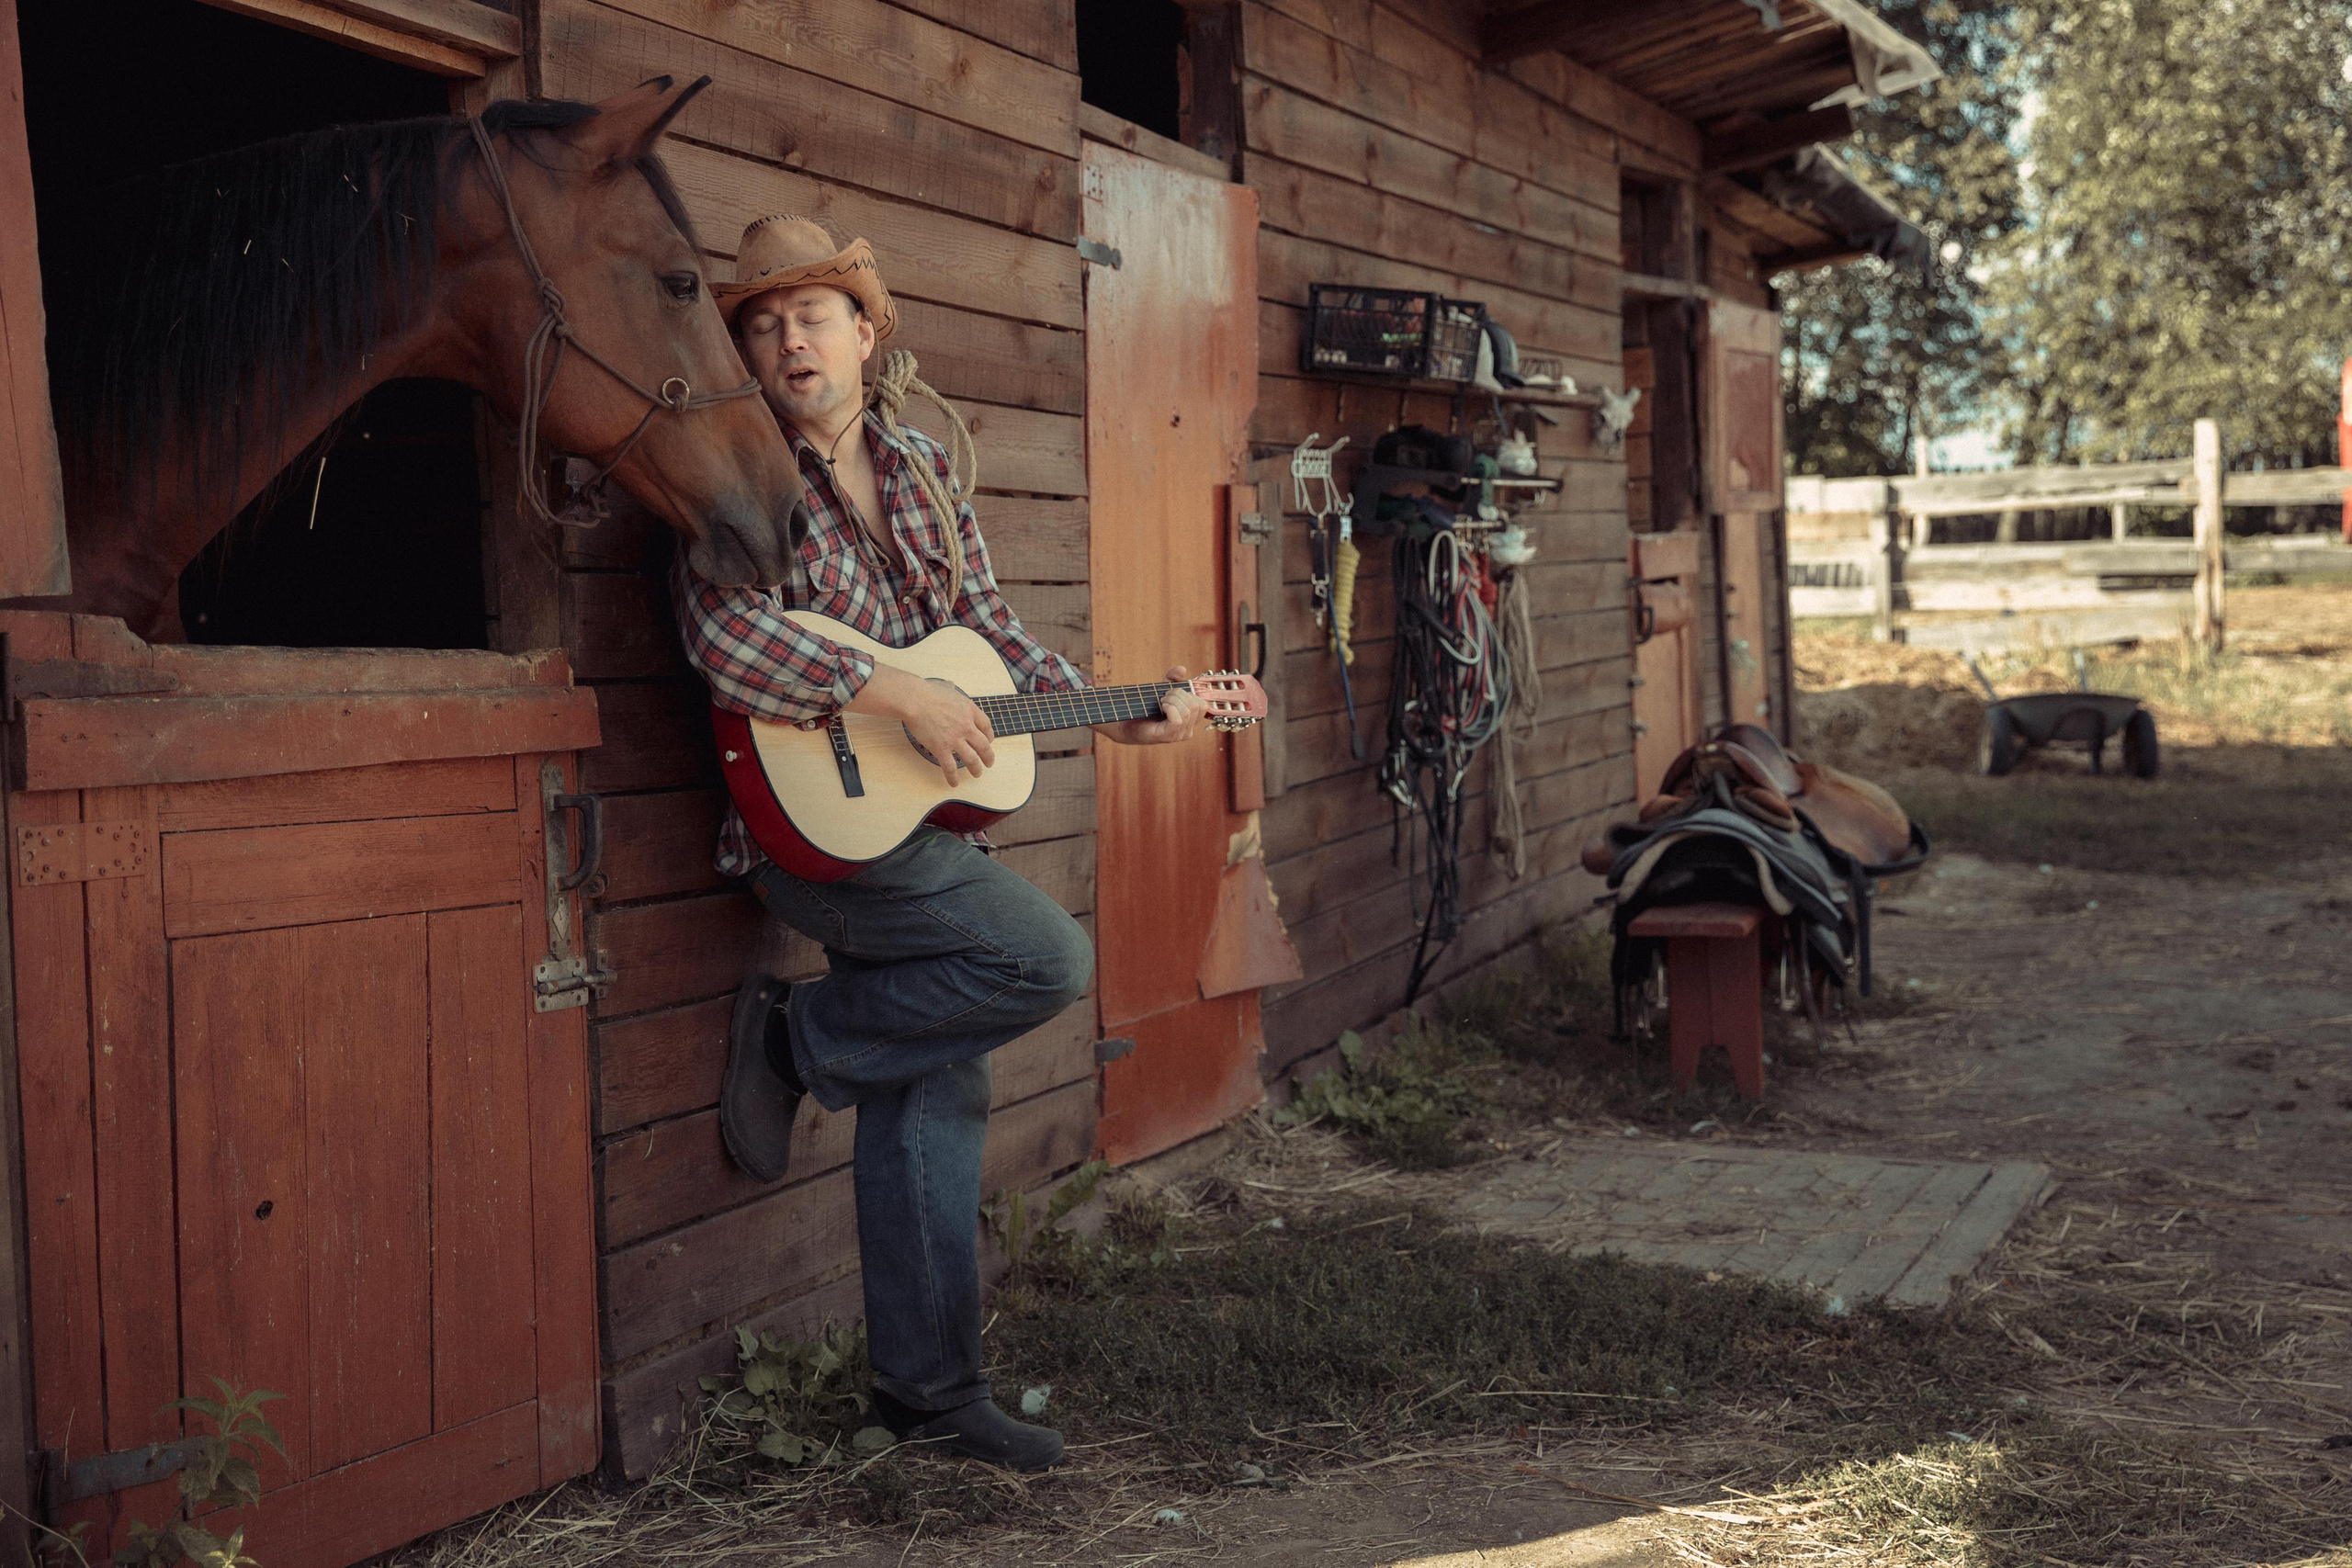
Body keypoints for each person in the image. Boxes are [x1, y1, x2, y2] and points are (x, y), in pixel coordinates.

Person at [673, 215, 1209, 1472]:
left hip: (899, 819)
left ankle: (925, 1395)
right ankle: (797, 1041)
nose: (787, 338)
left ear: (867, 334)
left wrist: (1120, 714)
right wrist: (890, 694)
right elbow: (725, 640)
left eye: (812, 315)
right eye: (761, 322)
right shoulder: (731, 469)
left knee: (936, 1075)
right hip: (802, 832)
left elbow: (989, 637)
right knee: (1039, 961)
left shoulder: (920, 473)